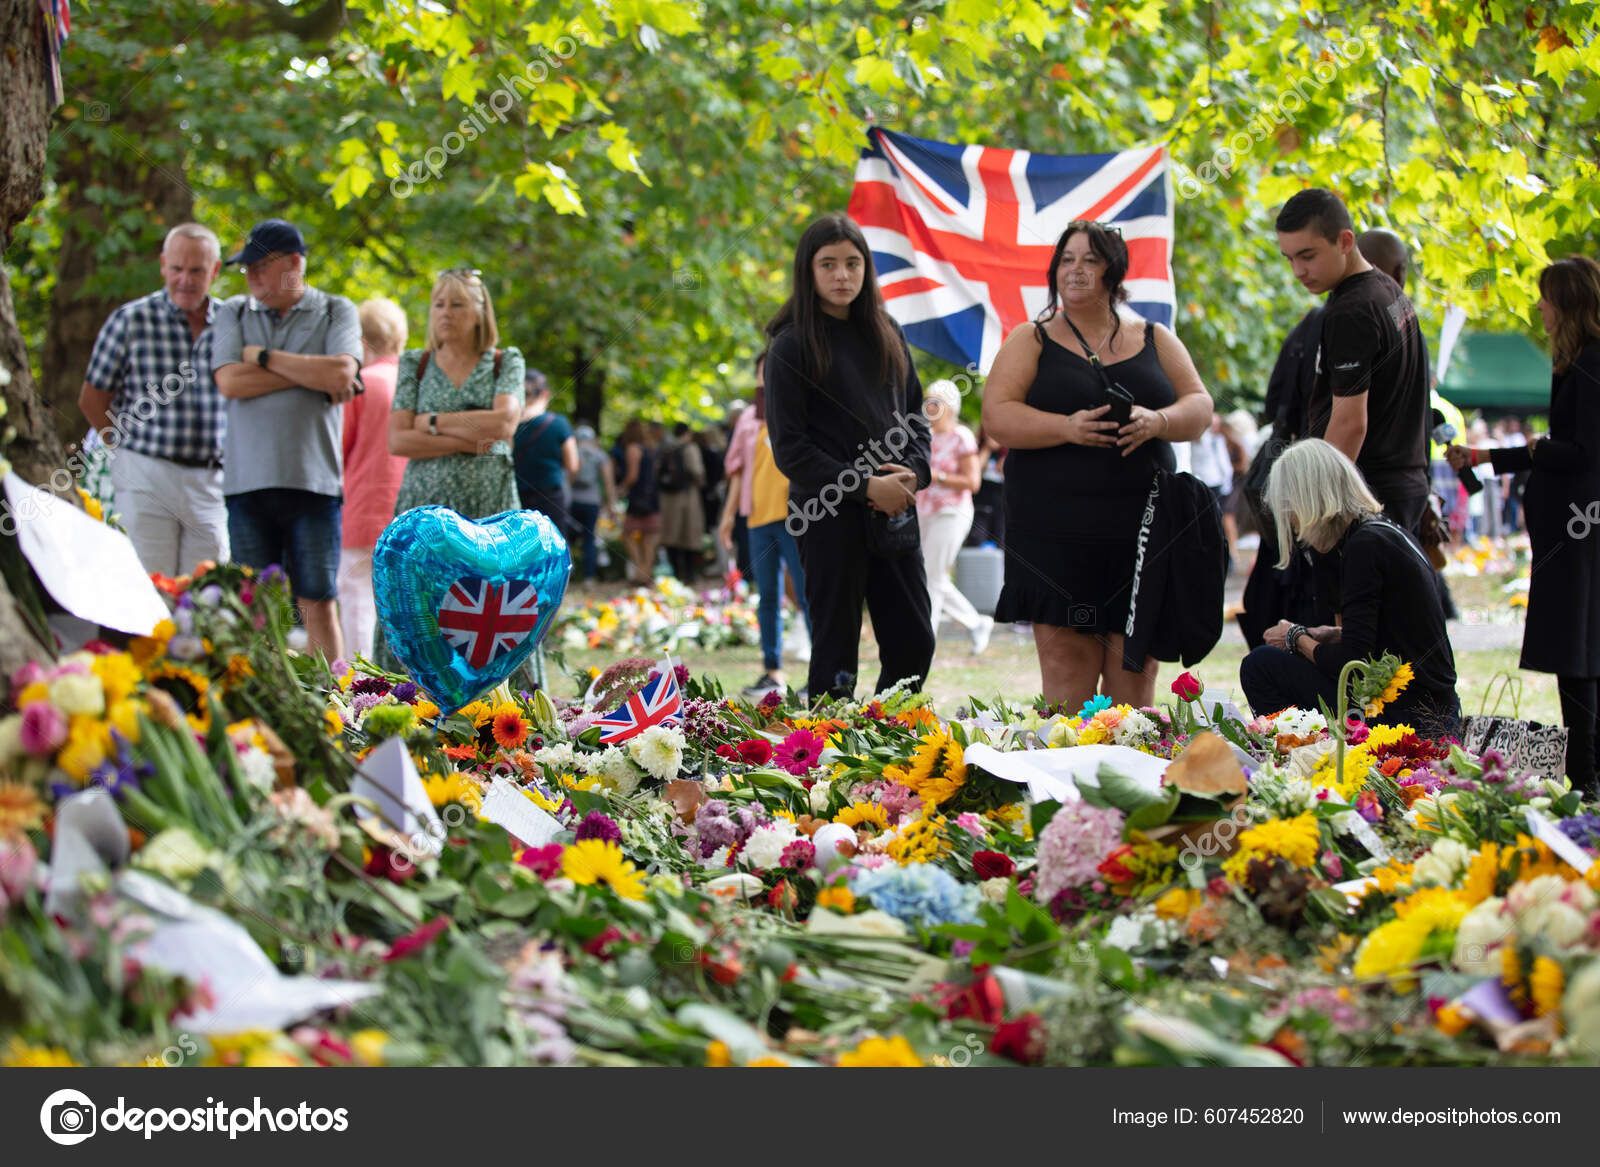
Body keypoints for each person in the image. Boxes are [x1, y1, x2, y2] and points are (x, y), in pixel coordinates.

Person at [981, 221, 1212, 710]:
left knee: (1134, 668)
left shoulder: (1154, 337)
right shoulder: (1031, 338)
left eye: (1090, 260)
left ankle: (1129, 759)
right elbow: (997, 416)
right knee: (1067, 664)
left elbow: (1199, 406)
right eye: (1067, 260)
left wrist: (1158, 420)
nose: (1076, 270)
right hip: (1053, 532)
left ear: (1115, 270)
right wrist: (1066, 427)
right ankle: (1068, 761)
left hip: (1142, 532)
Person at [765, 213, 935, 700]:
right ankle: (830, 743)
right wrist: (864, 486)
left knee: (914, 641)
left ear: (866, 268)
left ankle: (888, 730)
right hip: (827, 515)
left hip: (894, 510)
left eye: (853, 263)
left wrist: (914, 474)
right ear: (809, 270)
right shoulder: (791, 346)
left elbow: (916, 418)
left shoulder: (888, 331)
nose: (842, 275)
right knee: (836, 653)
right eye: (828, 264)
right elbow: (792, 449)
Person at [1448, 257, 1600, 792]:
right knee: (1577, 650)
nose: (1539, 306)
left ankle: (1585, 774)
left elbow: (1582, 452)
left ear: (1568, 303)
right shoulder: (1577, 361)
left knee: (1577, 650)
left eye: (1546, 297)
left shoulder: (1589, 364)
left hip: (1578, 531)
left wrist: (1538, 447)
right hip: (1571, 530)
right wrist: (1485, 457)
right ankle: (1584, 770)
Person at [212, 219, 362, 663]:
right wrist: (311, 373)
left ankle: (331, 699)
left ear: (295, 263)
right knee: (254, 607)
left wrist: (262, 358)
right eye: (247, 268)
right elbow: (230, 382)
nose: (251, 276)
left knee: (318, 601)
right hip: (246, 485)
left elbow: (342, 373)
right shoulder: (234, 312)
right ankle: (259, 694)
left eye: (261, 265)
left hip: (315, 484)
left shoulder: (336, 309)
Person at [1242, 439, 1460, 738]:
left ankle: (1301, 750)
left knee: (1261, 665)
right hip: (1429, 706)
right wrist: (1326, 634)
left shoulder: (1365, 546)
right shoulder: (1381, 531)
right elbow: (1384, 637)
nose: (1290, 521)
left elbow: (1350, 662)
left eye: (1289, 507)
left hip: (1411, 717)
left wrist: (1295, 637)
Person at [1276, 191, 1431, 535]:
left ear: (1345, 241)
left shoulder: (1352, 311)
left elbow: (1349, 424)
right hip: (1397, 486)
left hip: (1365, 494)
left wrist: (1317, 506)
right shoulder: (1386, 288)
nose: (1298, 271)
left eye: (1308, 256)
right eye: (1289, 259)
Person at [80, 222, 229, 578]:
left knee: (207, 589)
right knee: (146, 583)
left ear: (215, 271)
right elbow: (92, 398)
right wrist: (123, 451)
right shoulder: (131, 320)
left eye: (196, 271)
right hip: (145, 473)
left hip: (210, 479)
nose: (185, 280)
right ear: (163, 266)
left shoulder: (232, 323)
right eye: (177, 269)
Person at [387, 270, 524, 522]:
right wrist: (471, 442)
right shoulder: (415, 364)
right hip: (425, 512)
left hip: (490, 511)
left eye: (457, 304)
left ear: (480, 313)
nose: (446, 313)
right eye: (439, 304)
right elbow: (398, 441)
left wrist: (431, 422)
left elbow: (504, 423)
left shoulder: (504, 362)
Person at [719, 374, 811, 697]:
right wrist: (728, 515)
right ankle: (773, 672)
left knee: (807, 593)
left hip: (796, 515)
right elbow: (737, 471)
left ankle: (821, 673)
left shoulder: (800, 405)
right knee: (767, 596)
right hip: (758, 517)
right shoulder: (748, 418)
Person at [337, 297, 409, 659]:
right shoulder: (415, 384)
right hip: (410, 509)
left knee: (357, 598)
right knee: (403, 601)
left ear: (361, 340)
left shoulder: (362, 384)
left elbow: (338, 447)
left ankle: (360, 679)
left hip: (363, 506)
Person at [917, 379, 993, 655]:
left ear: (949, 407)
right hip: (922, 511)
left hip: (952, 512)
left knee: (932, 575)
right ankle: (977, 622)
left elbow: (973, 482)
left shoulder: (961, 436)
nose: (930, 406)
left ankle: (925, 641)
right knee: (932, 575)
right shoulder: (923, 435)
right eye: (928, 400)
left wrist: (938, 476)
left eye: (936, 401)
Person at [512, 368, 578, 531]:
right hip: (550, 497)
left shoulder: (510, 425)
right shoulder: (558, 423)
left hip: (517, 497)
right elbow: (573, 465)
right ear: (545, 394)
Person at [567, 423, 617, 584]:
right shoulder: (600, 455)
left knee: (568, 538)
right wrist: (611, 504)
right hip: (592, 502)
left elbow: (568, 476)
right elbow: (608, 482)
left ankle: (567, 575)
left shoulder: (573, 452)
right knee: (589, 539)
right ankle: (589, 577)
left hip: (572, 501)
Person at [657, 422, 706, 581]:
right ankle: (689, 574)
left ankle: (676, 573)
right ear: (687, 433)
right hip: (687, 496)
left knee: (671, 535)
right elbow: (697, 471)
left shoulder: (665, 448)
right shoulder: (690, 448)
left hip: (667, 498)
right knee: (688, 535)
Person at [615, 418, 660, 583]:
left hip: (638, 498)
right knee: (650, 537)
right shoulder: (649, 449)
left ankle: (640, 569)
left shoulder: (632, 448)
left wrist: (622, 488)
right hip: (652, 497)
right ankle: (646, 571)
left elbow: (632, 476)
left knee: (627, 534)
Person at [722, 393, 761, 580]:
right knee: (743, 537)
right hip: (746, 495)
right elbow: (734, 469)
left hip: (751, 495)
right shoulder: (742, 429)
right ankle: (746, 574)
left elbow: (733, 470)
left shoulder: (743, 428)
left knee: (745, 537)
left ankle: (748, 574)